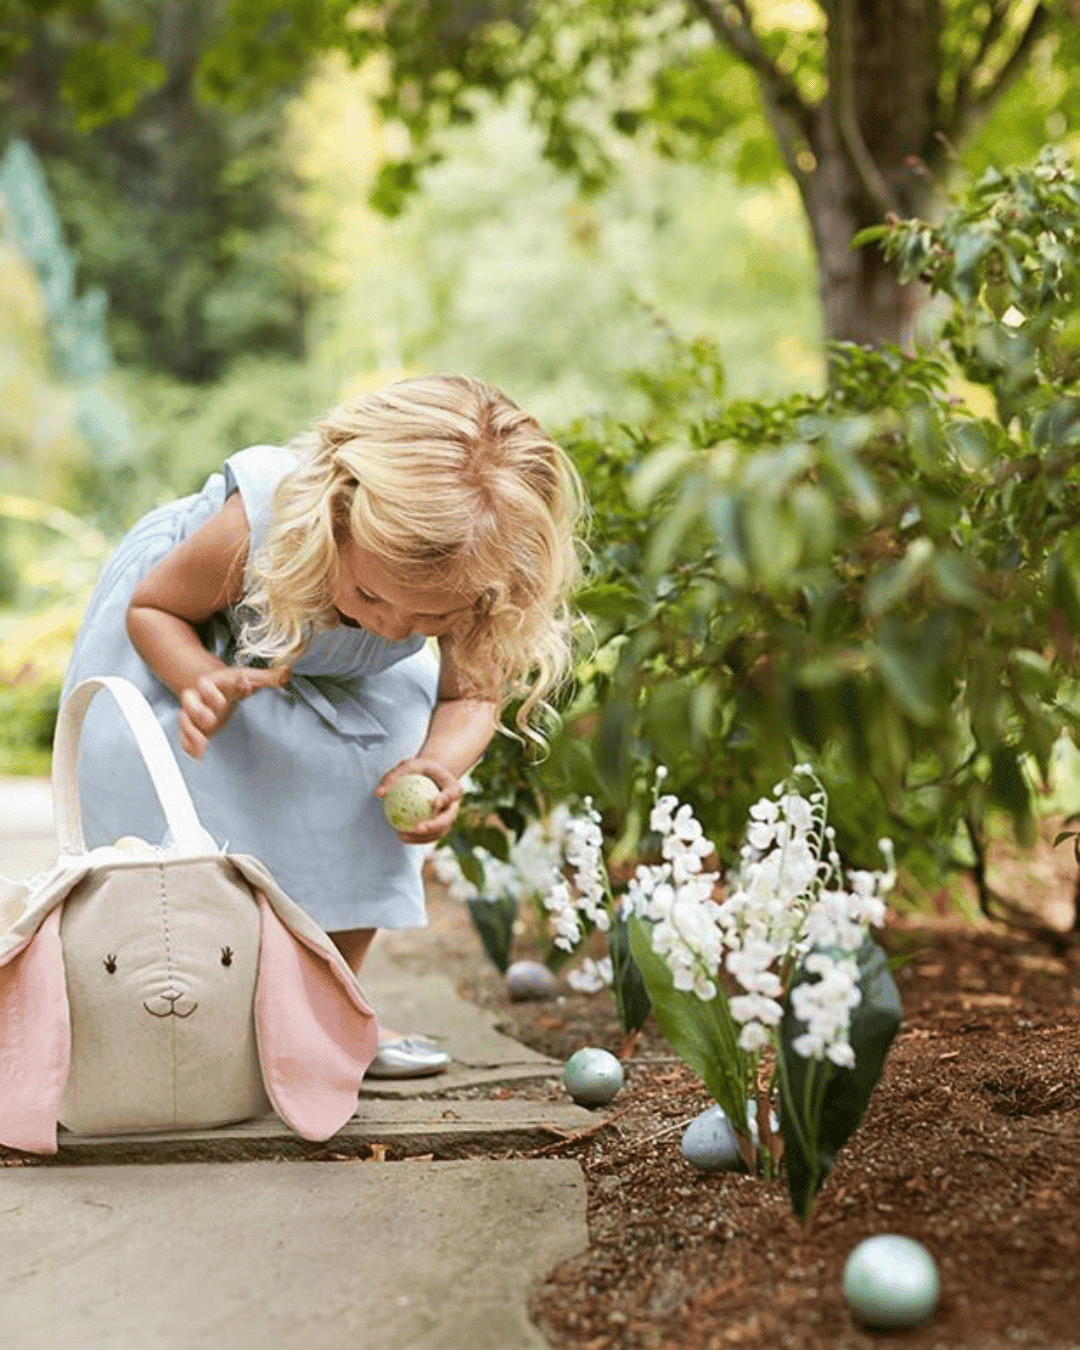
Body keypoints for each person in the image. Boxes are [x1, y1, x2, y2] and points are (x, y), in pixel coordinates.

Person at [62, 374, 586, 1077]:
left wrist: (436, 766)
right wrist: (199, 682)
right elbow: (156, 608)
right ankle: (183, 1009)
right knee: (190, 821)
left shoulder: (475, 570)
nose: (393, 626)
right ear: (336, 519)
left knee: (361, 797)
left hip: (340, 681)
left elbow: (472, 698)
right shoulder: (267, 521)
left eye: (431, 620)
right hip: (201, 651)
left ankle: (328, 1012)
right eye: (370, 595)